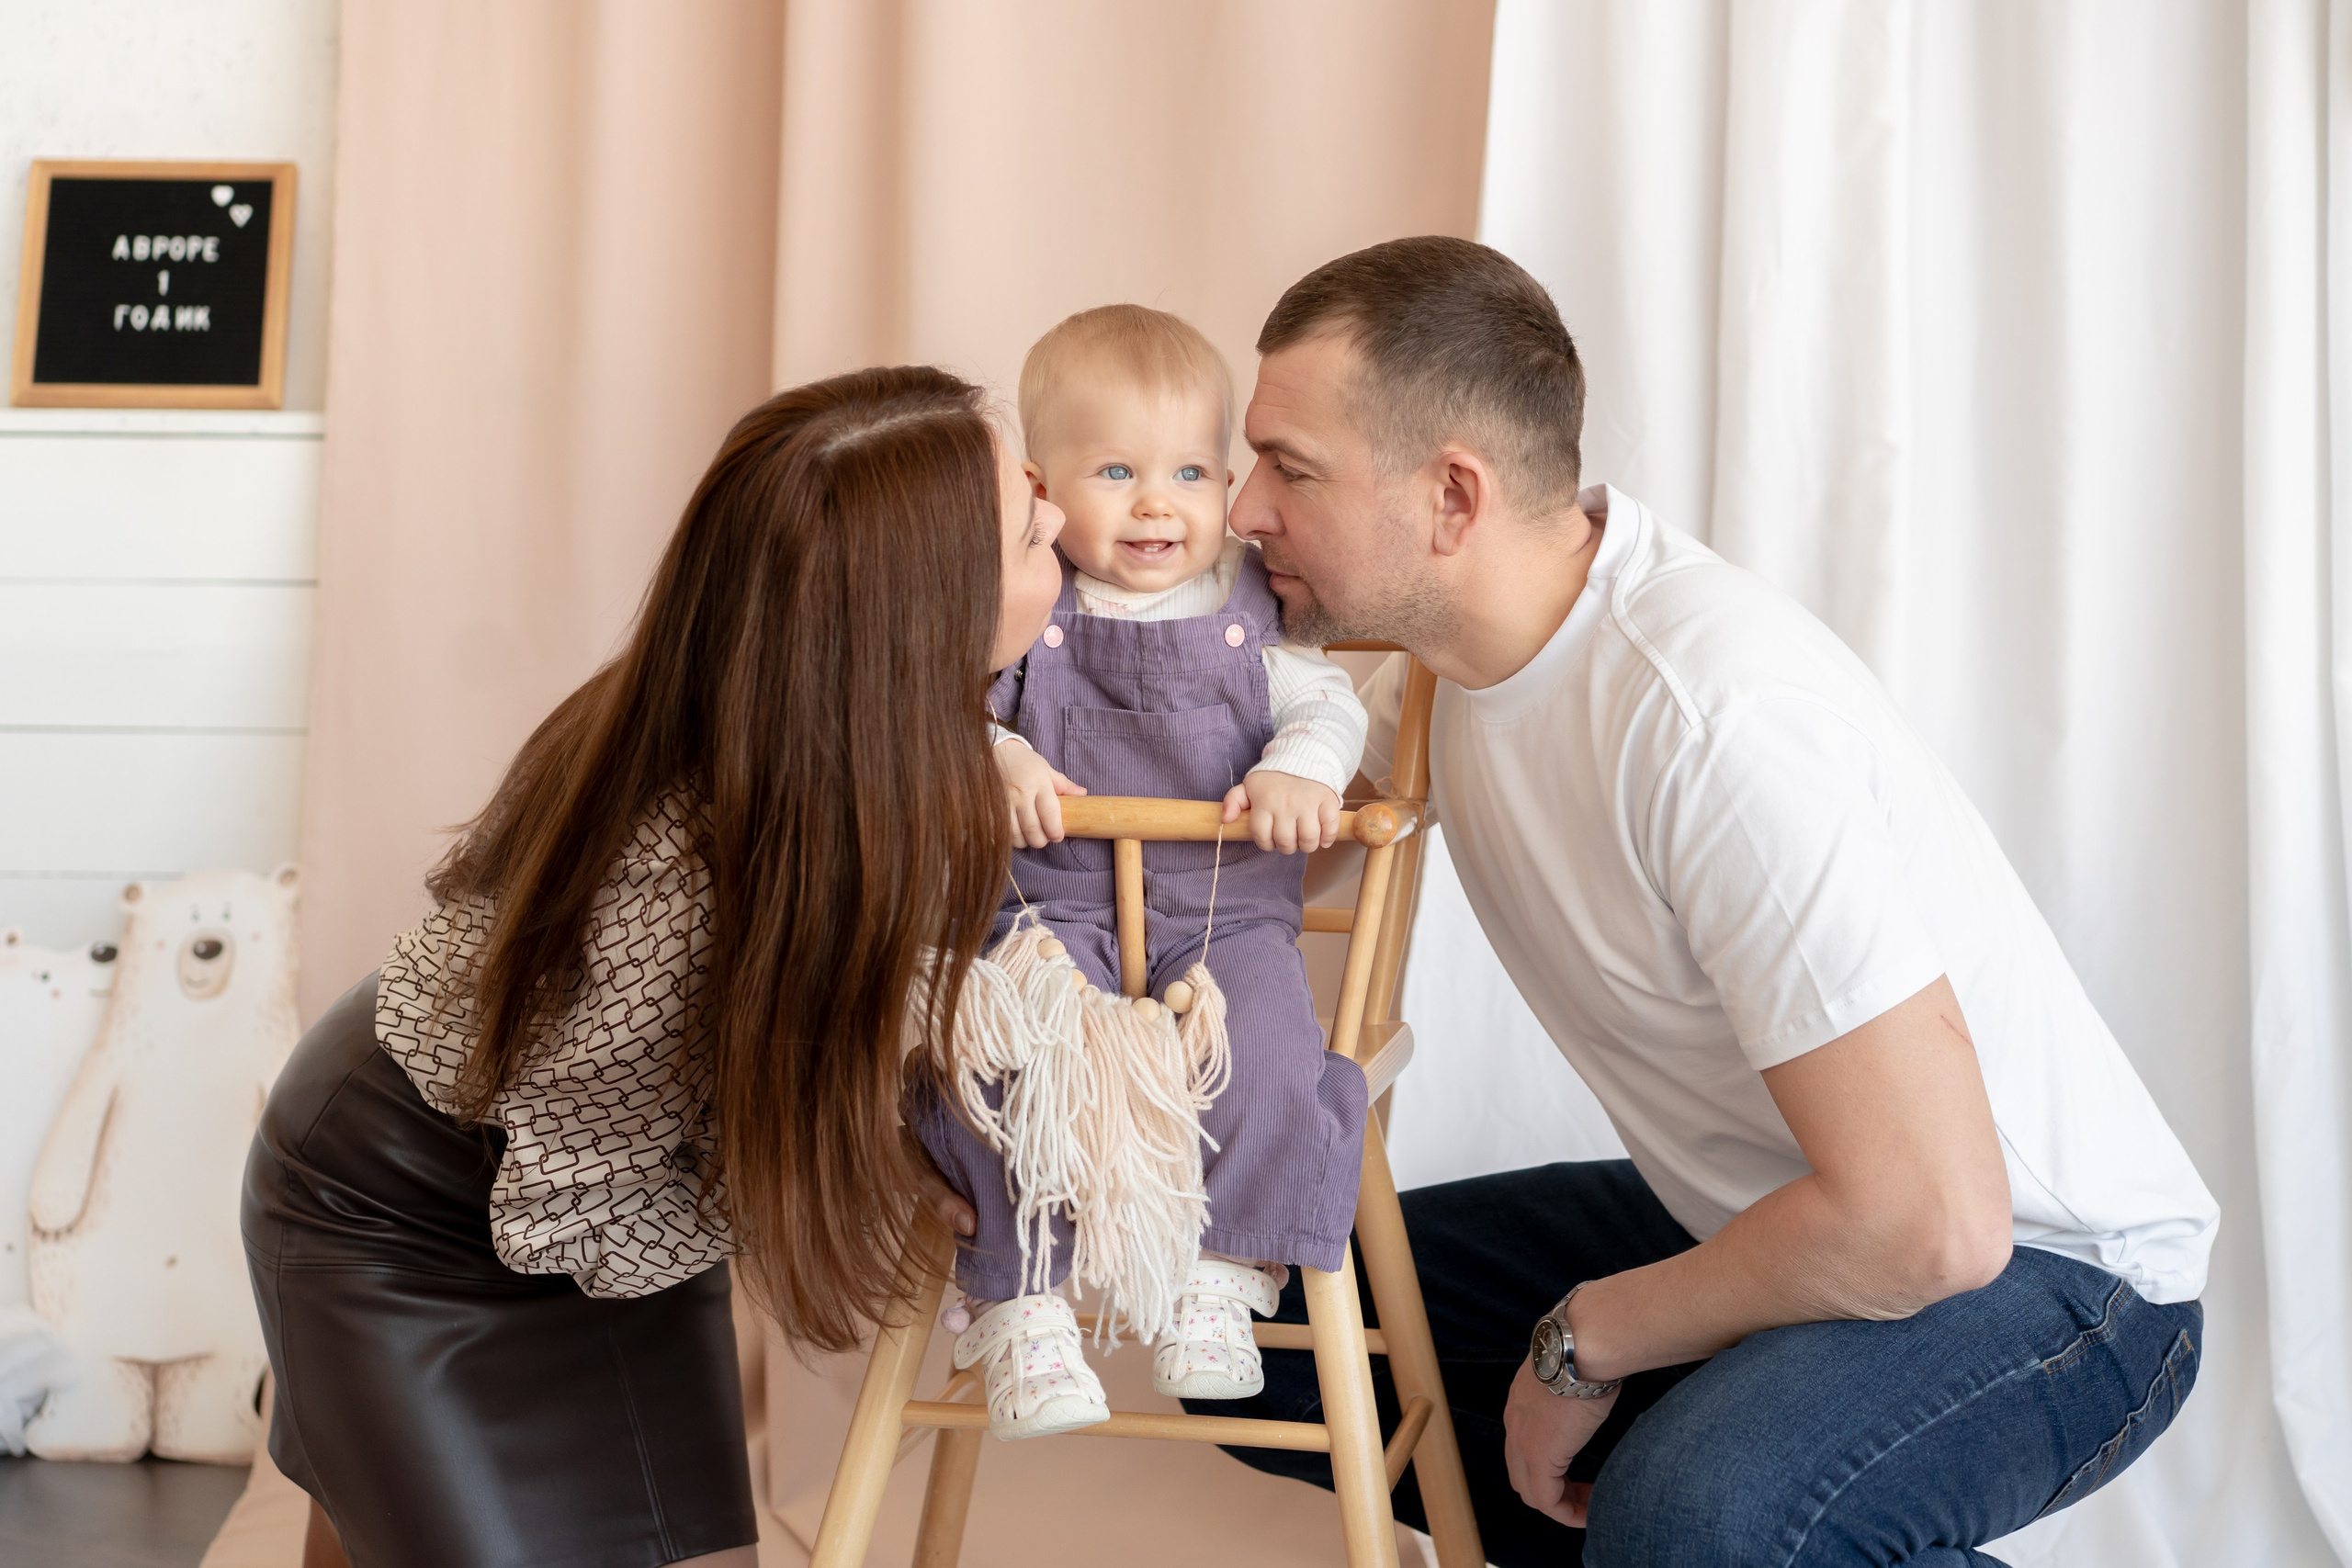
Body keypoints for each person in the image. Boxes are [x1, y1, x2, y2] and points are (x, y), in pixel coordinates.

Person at [1206, 236, 2220, 1567]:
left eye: (1290, 466)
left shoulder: (1709, 718)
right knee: (1257, 1311)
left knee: (1698, 1513)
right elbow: (1198, 875)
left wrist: (1582, 1344)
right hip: (1787, 1216)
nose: (1238, 510)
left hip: (2057, 1278)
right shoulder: (1441, 672)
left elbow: (1933, 1220)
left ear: (1453, 495)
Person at [241, 366, 1067, 1568]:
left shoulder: (848, 724)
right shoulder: (682, 883)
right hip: (406, 1205)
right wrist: (891, 1142)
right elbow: (649, 1149)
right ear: (924, 615)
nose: (1070, 528)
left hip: (600, 1175)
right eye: (1036, 532)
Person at [914, 304, 1373, 1441]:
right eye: (1115, 472)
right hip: (1050, 906)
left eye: (1187, 474)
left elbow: (1326, 702)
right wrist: (1001, 753)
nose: (1157, 504)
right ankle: (1018, 1299)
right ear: (1043, 488)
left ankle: (1226, 1269)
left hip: (1221, 920)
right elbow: (942, 711)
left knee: (1267, 1050)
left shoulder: (1252, 609)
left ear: (1227, 485)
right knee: (994, 1049)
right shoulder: (1031, 603)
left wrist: (1301, 771)